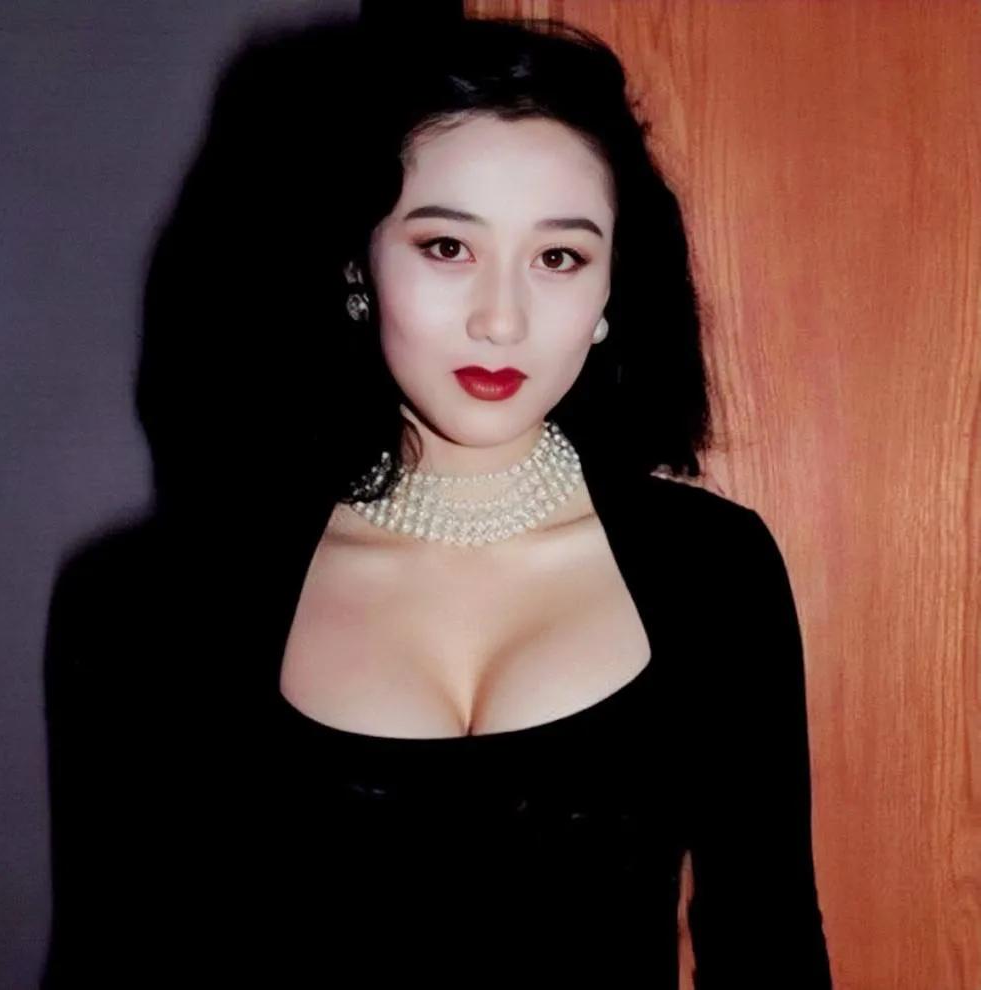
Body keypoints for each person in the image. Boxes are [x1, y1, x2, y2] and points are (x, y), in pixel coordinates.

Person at [42, 14, 832, 988]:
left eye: (558, 257)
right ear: (357, 265)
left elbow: (769, 946)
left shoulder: (714, 571)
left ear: (610, 293)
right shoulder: (150, 599)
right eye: (447, 246)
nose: (501, 319)